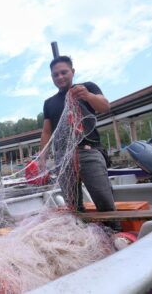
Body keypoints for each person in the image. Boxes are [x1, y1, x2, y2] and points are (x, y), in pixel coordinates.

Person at [40, 56, 119, 226]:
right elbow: (47, 131)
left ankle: (115, 232)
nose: (60, 77)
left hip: (88, 151)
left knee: (103, 199)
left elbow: (105, 107)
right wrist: (42, 158)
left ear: (73, 72)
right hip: (62, 157)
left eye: (64, 72)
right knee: (73, 205)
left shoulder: (87, 87)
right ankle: (84, 233)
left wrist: (88, 95)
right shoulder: (49, 103)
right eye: (55, 75)